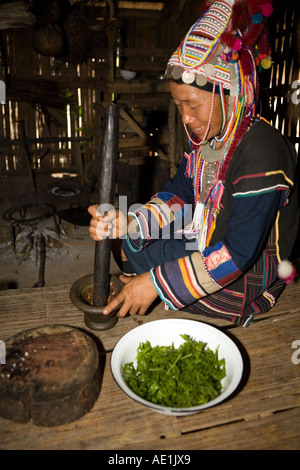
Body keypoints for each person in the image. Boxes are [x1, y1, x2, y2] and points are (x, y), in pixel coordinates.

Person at [89, 0, 299, 326]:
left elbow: (238, 252)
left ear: (229, 91)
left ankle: (167, 288)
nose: (186, 117)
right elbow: (184, 189)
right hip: (205, 239)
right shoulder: (209, 137)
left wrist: (157, 283)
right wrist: (131, 221)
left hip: (246, 270)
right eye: (178, 105)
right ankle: (159, 280)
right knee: (128, 241)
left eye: (192, 104)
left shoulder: (262, 150)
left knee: (152, 272)